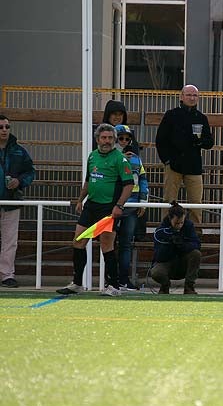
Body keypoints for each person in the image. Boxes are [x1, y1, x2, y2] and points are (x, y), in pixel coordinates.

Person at [57, 124, 135, 296]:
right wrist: (80, 200)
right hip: (91, 206)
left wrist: (119, 206)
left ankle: (114, 286)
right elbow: (88, 180)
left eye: (109, 138)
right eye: (103, 138)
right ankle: (77, 283)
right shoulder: (92, 156)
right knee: (78, 241)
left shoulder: (120, 159)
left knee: (106, 245)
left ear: (114, 140)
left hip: (108, 208)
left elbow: (129, 185)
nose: (106, 141)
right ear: (97, 139)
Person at [155, 84, 214, 225]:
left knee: (196, 203)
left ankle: (196, 232)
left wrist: (199, 141)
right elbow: (160, 140)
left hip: (194, 166)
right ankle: (166, 229)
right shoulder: (171, 115)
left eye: (195, 95)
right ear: (181, 97)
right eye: (189, 95)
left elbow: (209, 143)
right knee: (169, 201)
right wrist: (167, 161)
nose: (192, 98)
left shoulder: (201, 118)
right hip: (173, 164)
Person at [0, 115, 35, 288]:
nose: (4, 130)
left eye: (7, 127)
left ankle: (7, 274)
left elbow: (30, 172)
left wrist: (19, 182)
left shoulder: (19, 151)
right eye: (1, 127)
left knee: (10, 240)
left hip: (11, 201)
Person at [113, 124, 148, 291]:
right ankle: (111, 279)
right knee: (109, 242)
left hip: (132, 205)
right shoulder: (110, 157)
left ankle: (123, 280)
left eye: (128, 138)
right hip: (113, 204)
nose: (125, 141)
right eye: (121, 138)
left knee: (126, 243)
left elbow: (142, 179)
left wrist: (143, 200)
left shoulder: (136, 158)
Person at [150, 202, 201, 295]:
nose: (179, 225)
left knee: (196, 254)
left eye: (181, 222)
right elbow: (159, 256)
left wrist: (182, 245)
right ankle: (165, 286)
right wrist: (170, 244)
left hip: (182, 262)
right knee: (156, 272)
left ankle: (189, 287)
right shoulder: (161, 231)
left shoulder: (189, 226)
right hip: (166, 262)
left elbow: (196, 244)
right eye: (176, 223)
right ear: (170, 219)